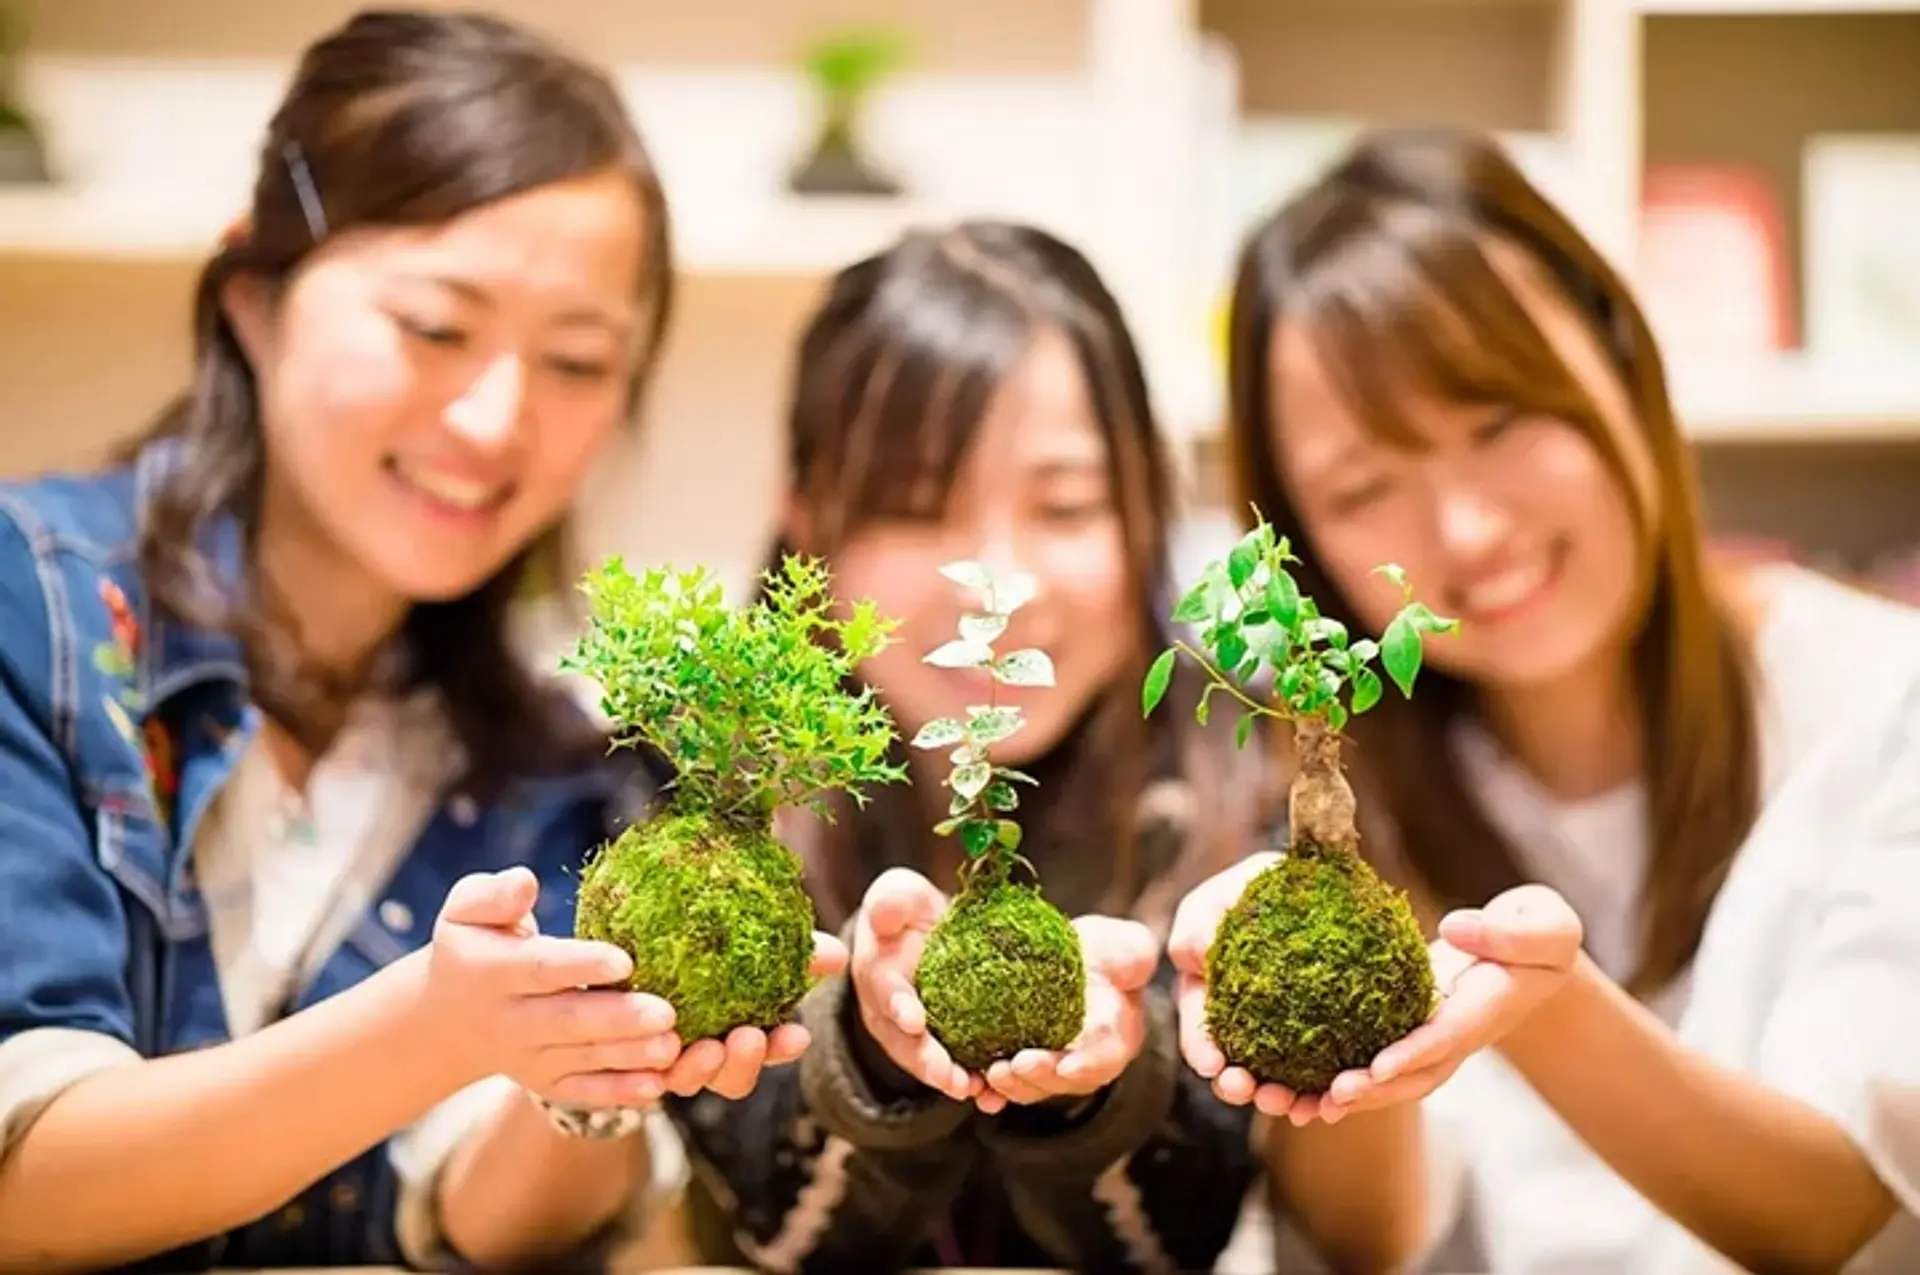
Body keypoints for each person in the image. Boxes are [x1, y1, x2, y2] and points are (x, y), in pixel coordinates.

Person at [0, 11, 827, 1271]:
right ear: (254, 301)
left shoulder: (554, 763)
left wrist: (592, 1070)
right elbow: (25, 1186)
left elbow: (470, 1217)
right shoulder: (32, 613)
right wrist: (434, 1029)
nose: (499, 418)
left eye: (577, 359)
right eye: (436, 327)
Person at [1170, 125, 1920, 1274]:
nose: (1467, 532)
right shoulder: (1345, 801)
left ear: (1620, 358)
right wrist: (1322, 1054)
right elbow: (1365, 1244)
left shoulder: (1881, 699)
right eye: (1366, 486)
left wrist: (1538, 993)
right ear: (1298, 540)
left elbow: (1828, 1213)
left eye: (1499, 422)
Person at [637, 219, 1433, 1275]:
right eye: (920, 505)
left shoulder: (1256, 786)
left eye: (1065, 504)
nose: (997, 582)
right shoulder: (687, 804)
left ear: (1146, 507)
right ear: (806, 520)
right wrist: (872, 1053)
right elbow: (747, 1204)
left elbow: (1356, 1244)